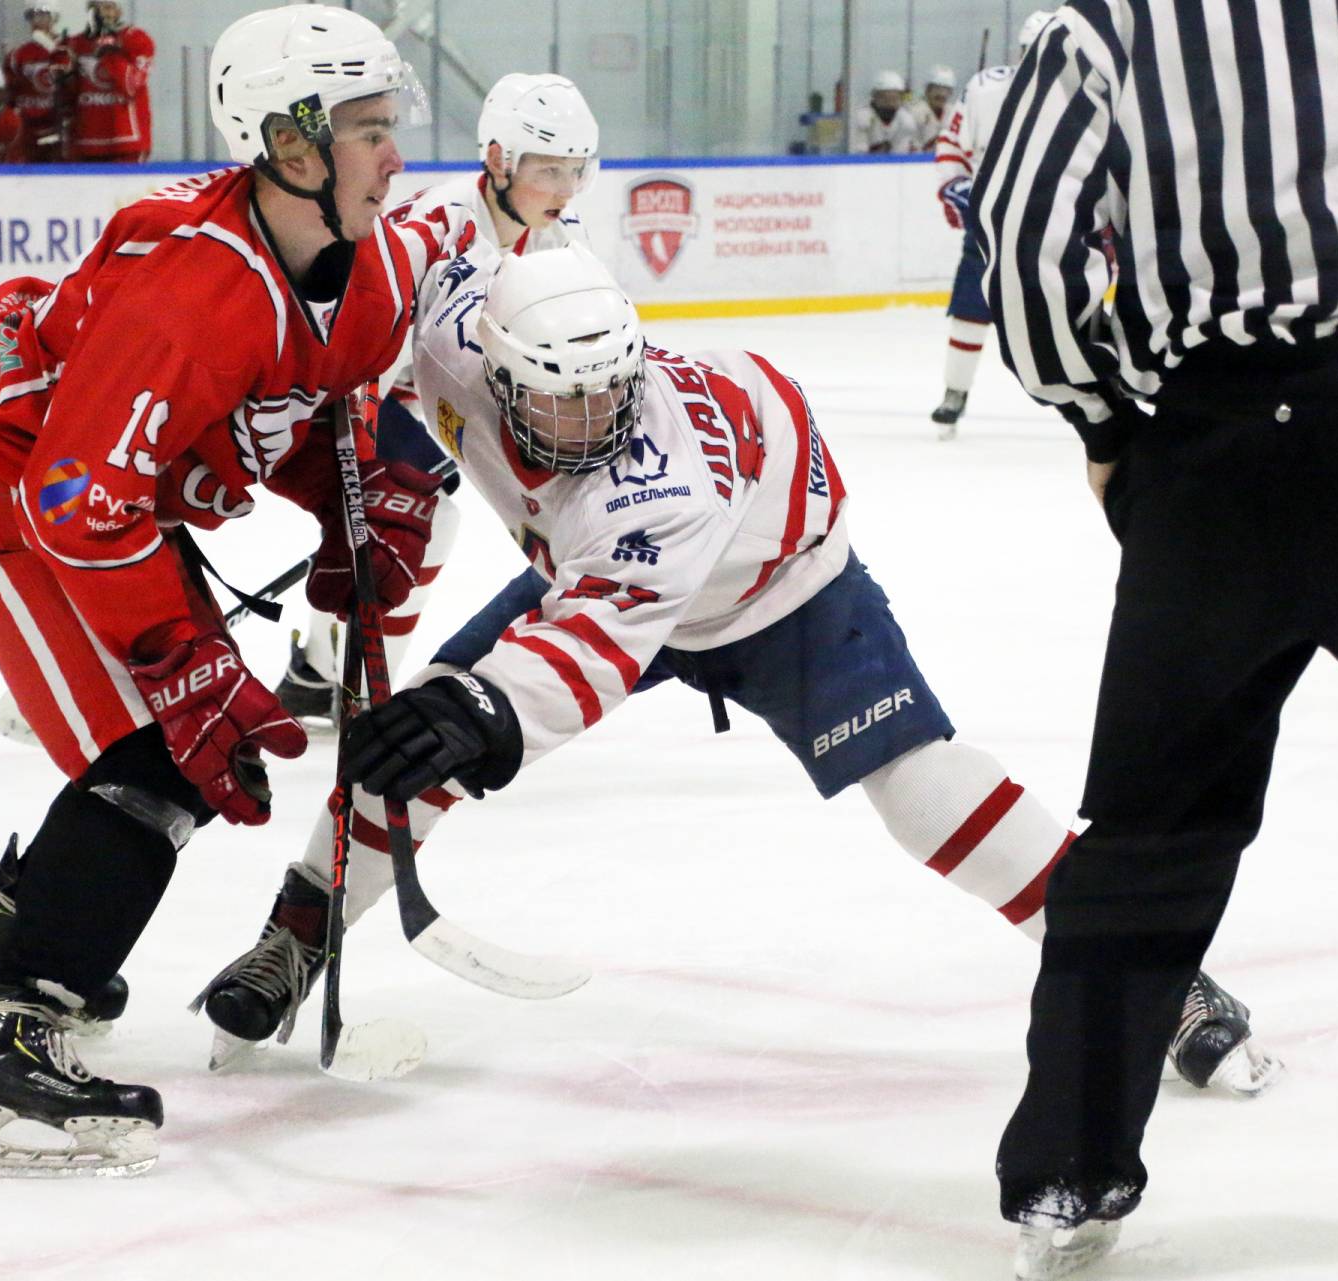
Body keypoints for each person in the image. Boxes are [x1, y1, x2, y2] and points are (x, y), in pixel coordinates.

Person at [191, 233, 1281, 1116]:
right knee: (410, 754)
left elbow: (592, 649)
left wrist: (472, 706)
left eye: (610, 394)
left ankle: (1152, 973)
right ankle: (293, 942)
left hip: (780, 587)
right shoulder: (454, 338)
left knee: (920, 786)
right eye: (564, 402)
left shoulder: (653, 485)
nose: (595, 423)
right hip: (601, 579)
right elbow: (389, 280)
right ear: (497, 368)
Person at [973, 3, 1338, 1274]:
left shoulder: (1105, 22)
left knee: (1152, 836)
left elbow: (1023, 245)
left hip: (1221, 464)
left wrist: (1111, 426)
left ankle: (1068, 1176)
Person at [0, 4, 438, 1178]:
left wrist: (353, 508)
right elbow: (78, 503)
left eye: (389, 123)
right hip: (10, 481)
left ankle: (17, 917)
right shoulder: (190, 296)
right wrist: (180, 656)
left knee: (191, 755)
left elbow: (300, 409)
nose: (393, 153)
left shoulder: (375, 270)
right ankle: (9, 1035)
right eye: (366, 129)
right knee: (163, 751)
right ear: (291, 148)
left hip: (101, 487)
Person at [272, 71, 599, 731]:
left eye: (576, 171)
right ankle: (366, 694)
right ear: (501, 158)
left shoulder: (557, 236)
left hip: (403, 387)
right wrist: (390, 453)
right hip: (339, 376)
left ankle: (313, 669)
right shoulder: (444, 223)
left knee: (395, 514)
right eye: (549, 169)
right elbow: (363, 340)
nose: (564, 190)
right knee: (424, 516)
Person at [927, 12, 1053, 437]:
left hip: (1055, 221)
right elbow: (951, 144)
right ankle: (955, 392)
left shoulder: (1086, 90)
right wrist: (955, 185)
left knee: (1073, 309)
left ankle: (1099, 401)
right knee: (970, 308)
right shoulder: (984, 89)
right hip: (992, 222)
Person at [62, 0, 152, 162]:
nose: (102, 13)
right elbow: (68, 97)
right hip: (87, 141)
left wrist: (110, 53)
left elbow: (131, 86)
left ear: (119, 11)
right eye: (96, 8)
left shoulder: (136, 38)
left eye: (108, 7)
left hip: (126, 142)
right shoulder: (75, 43)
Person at [5, 2, 67, 162]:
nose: (36, 22)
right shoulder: (17, 54)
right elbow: (9, 96)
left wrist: (54, 50)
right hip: (26, 132)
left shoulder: (68, 47)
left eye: (42, 16)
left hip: (58, 127)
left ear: (54, 18)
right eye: (31, 16)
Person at [848, 70, 922, 154]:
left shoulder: (906, 120)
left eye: (894, 98)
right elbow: (857, 155)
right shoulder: (862, 117)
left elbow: (901, 154)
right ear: (874, 96)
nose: (890, 103)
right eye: (885, 97)